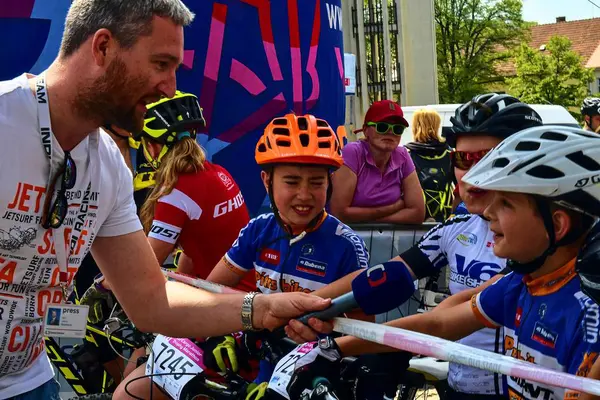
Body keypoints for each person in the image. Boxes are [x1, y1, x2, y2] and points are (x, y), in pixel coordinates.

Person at [0, 1, 331, 398]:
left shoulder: (107, 164)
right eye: (161, 64)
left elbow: (151, 298)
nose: (170, 86)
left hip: (30, 383)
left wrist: (261, 309)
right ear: (102, 47)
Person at [289, 125, 600, 400]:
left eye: (505, 203)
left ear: (557, 225)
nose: (489, 212)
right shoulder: (520, 282)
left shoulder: (588, 315)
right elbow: (437, 324)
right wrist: (336, 346)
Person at [114, 113, 371, 399]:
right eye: (292, 181)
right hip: (254, 357)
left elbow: (364, 334)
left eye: (316, 182)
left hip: (313, 374)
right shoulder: (258, 231)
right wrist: (220, 333)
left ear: (329, 184)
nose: (304, 194)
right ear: (267, 181)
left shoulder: (347, 245)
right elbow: (211, 293)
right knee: (133, 390)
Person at [329, 100, 426, 224]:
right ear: (365, 130)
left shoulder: (403, 155)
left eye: (397, 129)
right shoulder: (352, 153)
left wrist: (375, 222)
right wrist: (394, 207)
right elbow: (339, 213)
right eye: (382, 127)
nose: (390, 132)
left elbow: (417, 213)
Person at [405, 108, 454, 222]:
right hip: (444, 219)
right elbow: (460, 190)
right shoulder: (449, 154)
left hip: (415, 219)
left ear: (415, 126)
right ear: (437, 126)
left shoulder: (406, 155)